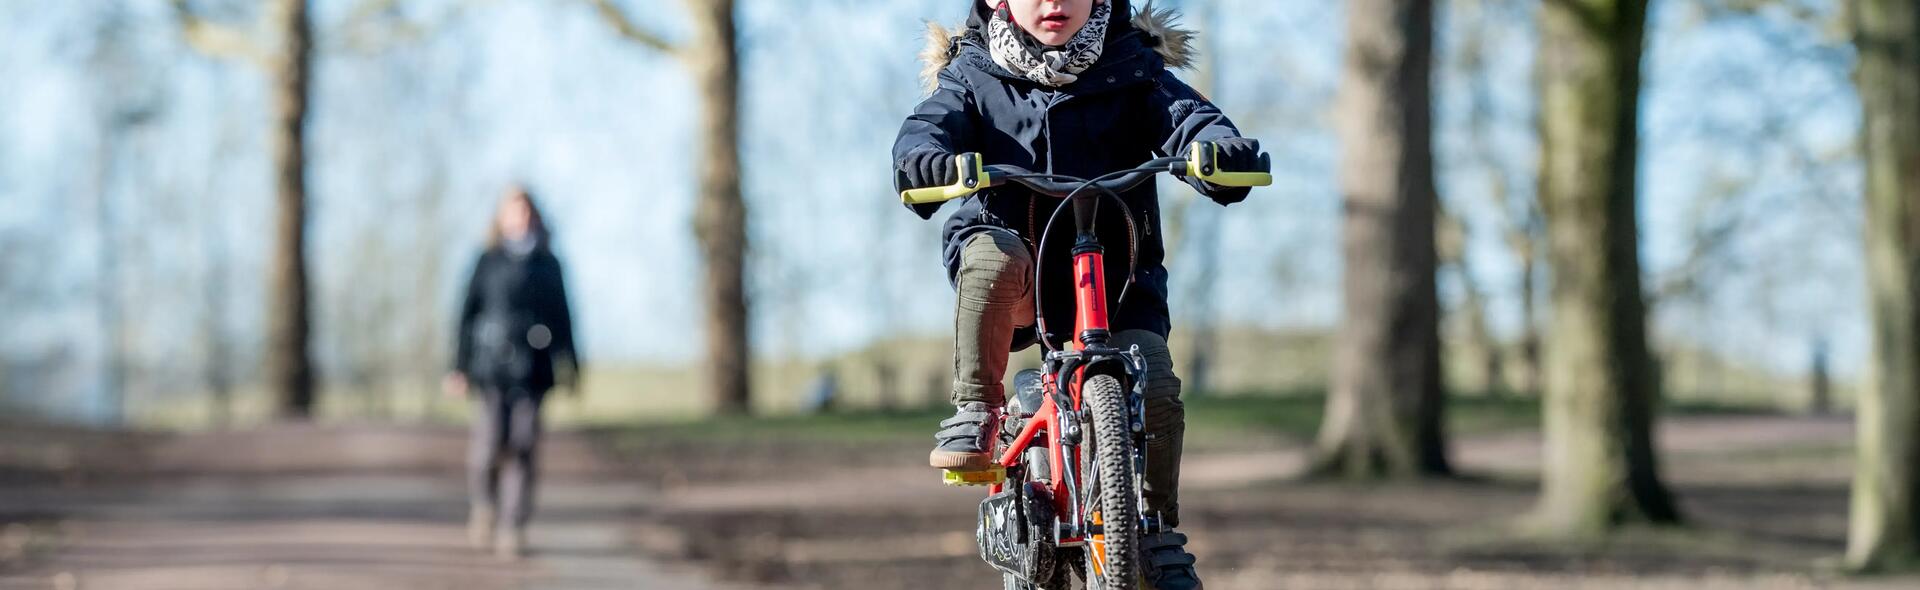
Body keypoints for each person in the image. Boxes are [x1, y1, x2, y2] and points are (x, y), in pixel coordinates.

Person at [892, 1, 1263, 588]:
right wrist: (923, 160)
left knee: (1158, 387)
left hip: (1117, 274)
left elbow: (1190, 117)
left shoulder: (1134, 68)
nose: (1054, 2)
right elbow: (927, 128)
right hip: (1022, 270)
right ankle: (977, 410)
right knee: (992, 257)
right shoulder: (972, 74)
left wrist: (1217, 149)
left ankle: (1157, 528)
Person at [443, 185, 579, 560]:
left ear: (534, 216)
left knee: (523, 446)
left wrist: (572, 365)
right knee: (488, 446)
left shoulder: (549, 264)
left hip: (534, 368)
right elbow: (465, 316)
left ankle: (512, 526)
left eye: (525, 211)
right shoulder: (487, 261)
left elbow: (565, 317)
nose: (519, 218)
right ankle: (484, 504)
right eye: (512, 211)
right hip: (491, 366)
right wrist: (458, 367)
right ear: (501, 217)